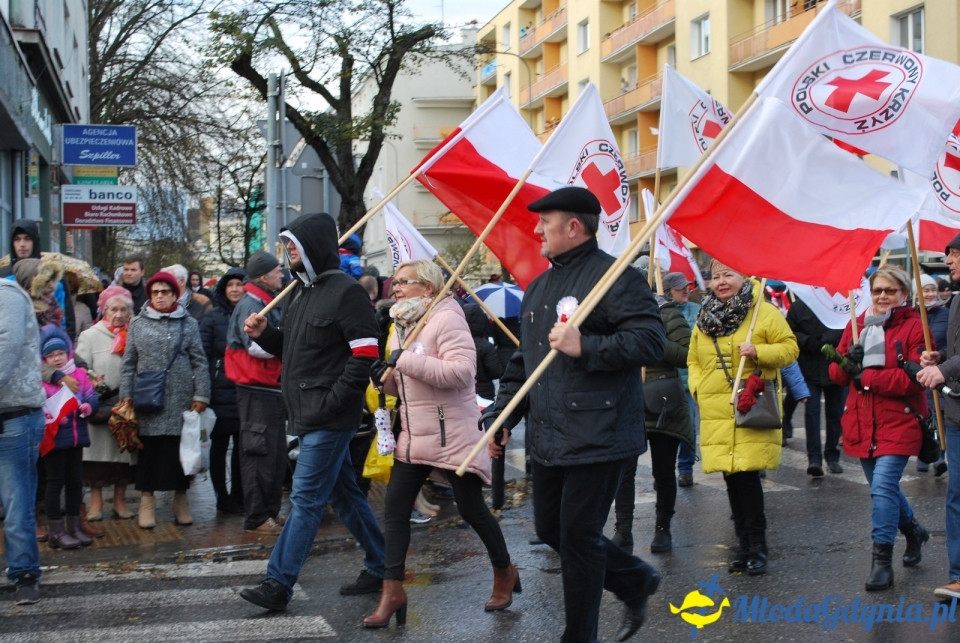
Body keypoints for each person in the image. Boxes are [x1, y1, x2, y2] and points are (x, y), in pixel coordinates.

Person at [488, 187, 666, 642]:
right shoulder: (540, 287)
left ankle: (579, 635)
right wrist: (502, 415)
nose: (536, 230)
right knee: (551, 528)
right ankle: (634, 579)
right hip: (549, 434)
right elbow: (523, 362)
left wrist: (586, 346)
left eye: (544, 222)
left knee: (580, 539)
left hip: (599, 432)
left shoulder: (616, 278)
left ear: (572, 226)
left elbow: (651, 342)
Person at [239, 213, 386, 612]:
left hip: (328, 416)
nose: (287, 253)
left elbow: (367, 355)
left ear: (314, 248)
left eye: (293, 246)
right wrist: (264, 335)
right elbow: (293, 348)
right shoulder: (300, 292)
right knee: (344, 494)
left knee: (305, 499)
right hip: (306, 413)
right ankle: (383, 564)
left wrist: (334, 402)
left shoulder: (346, 292)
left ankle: (278, 583)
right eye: (286, 246)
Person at [364, 260, 518, 628]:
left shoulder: (447, 317)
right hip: (414, 436)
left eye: (405, 282)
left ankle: (504, 571)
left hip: (452, 435)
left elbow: (462, 372)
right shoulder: (403, 322)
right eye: (394, 283)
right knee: (396, 511)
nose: (395, 288)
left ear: (428, 288)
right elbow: (405, 384)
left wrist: (406, 363)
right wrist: (381, 381)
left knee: (471, 510)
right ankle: (392, 591)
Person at [688, 260, 798, 577]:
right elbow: (693, 360)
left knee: (747, 478)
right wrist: (697, 388)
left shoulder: (761, 312)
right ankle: (742, 546)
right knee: (731, 479)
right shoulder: (704, 317)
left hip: (750, 405)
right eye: (717, 276)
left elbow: (790, 349)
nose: (722, 282)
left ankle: (758, 547)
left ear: (743, 277)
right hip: (716, 410)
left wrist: (759, 352)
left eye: (729, 275)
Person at [829, 265, 929, 591]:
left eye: (890, 290)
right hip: (861, 421)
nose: (883, 296)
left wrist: (866, 377)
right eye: (877, 291)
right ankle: (913, 530)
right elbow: (837, 375)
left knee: (883, 487)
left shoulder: (915, 326)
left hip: (900, 420)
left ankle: (881, 563)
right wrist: (847, 361)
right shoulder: (856, 324)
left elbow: (913, 379)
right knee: (884, 489)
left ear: (903, 293)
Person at [119, 271, 210, 529]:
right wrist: (125, 399)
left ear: (175, 294)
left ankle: (180, 500)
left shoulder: (188, 323)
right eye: (156, 292)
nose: (160, 296)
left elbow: (199, 361)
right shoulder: (137, 323)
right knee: (149, 451)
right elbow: (128, 365)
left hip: (181, 399)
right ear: (150, 295)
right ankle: (147, 501)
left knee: (179, 452)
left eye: (166, 292)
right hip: (147, 399)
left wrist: (201, 394)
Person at [610, 289, 694, 555]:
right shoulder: (617, 311)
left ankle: (663, 529)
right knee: (623, 473)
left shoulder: (667, 312)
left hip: (663, 403)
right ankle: (623, 532)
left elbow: (686, 354)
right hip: (627, 400)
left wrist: (654, 339)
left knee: (664, 471)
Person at [225, 251, 288, 534]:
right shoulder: (251, 303)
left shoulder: (263, 299)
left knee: (273, 455)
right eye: (277, 271)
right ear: (264, 276)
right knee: (258, 452)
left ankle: (270, 512)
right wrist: (288, 347)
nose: (282, 275)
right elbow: (254, 346)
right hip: (255, 388)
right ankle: (257, 517)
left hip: (269, 387)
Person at [914, 234, 960, 601]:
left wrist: (945, 369)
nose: (949, 261)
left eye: (956, 255)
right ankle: (959, 574)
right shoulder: (956, 299)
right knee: (957, 495)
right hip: (957, 413)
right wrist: (939, 357)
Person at [0, 276, 46, 604]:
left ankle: (24, 571)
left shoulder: (8, 296)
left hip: (14, 414)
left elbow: (7, 346)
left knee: (16, 500)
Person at [75, 286, 137, 521]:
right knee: (97, 460)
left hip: (125, 405)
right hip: (100, 402)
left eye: (123, 309)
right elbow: (81, 368)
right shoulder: (90, 335)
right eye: (113, 309)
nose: (119, 314)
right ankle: (96, 504)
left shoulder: (134, 334)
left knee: (123, 458)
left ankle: (120, 502)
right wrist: (93, 379)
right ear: (103, 310)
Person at [39, 324, 98, 549]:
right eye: (51, 355)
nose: (57, 359)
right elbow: (41, 405)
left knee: (75, 482)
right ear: (45, 358)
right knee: (54, 483)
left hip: (77, 436)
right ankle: (56, 531)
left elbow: (91, 396)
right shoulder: (44, 381)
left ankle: (74, 526)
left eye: (60, 354)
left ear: (68, 353)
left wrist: (88, 407)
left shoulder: (79, 375)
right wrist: (54, 417)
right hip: (55, 439)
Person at [200, 268, 248, 514]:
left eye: (239, 284)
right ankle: (222, 496)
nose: (235, 289)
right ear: (223, 289)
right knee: (219, 448)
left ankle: (240, 496)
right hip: (219, 392)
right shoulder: (212, 318)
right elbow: (202, 356)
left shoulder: (254, 313)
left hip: (246, 390)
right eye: (230, 285)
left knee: (243, 450)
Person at [786, 296, 846, 477]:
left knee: (835, 414)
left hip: (834, 366)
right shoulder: (798, 307)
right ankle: (814, 459)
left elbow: (848, 327)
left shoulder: (838, 304)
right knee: (812, 413)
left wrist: (828, 338)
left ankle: (832, 456)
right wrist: (806, 341)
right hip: (808, 367)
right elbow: (788, 332)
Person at [1, 219, 76, 340]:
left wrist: (67, 347)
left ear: (35, 241)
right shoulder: (3, 276)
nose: (22, 244)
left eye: (27, 239)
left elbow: (68, 318)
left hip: (52, 347)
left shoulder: (53, 275)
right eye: (17, 239)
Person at [664, 272, 701, 488]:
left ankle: (685, 468)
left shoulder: (697, 311)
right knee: (666, 430)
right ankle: (666, 470)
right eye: (679, 288)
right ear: (668, 292)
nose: (685, 290)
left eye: (686, 286)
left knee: (690, 427)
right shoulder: (659, 312)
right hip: (666, 381)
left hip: (690, 382)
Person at [916, 273, 949, 475]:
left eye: (932, 290)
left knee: (940, 416)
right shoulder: (912, 314)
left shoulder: (944, 314)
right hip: (918, 372)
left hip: (939, 371)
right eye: (925, 290)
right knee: (923, 416)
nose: (929, 294)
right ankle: (924, 455)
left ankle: (939, 458)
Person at [463, 303, 504, 401]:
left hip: (465, 395)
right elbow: (496, 372)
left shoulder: (457, 345)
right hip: (485, 394)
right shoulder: (485, 346)